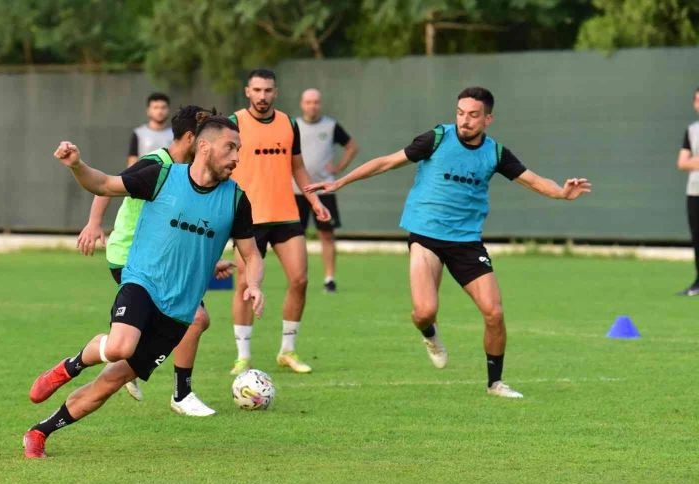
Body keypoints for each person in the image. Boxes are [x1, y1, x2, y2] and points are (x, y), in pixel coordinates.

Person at [306, 87, 591, 398]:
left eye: (473, 115)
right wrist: (341, 181)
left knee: (494, 313)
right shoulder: (437, 138)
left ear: (488, 119)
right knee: (424, 312)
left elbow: (533, 180)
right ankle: (429, 333)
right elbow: (386, 162)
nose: (464, 120)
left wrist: (561, 193)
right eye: (460, 113)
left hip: (466, 243)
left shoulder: (495, 153)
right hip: (426, 236)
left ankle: (495, 383)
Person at [23, 116, 263, 458]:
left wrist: (253, 283)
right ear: (204, 147)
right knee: (119, 346)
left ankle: (39, 432)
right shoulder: (162, 176)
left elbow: (251, 254)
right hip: (143, 283)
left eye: (239, 149)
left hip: (178, 313)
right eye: (230, 148)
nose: (237, 157)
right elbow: (104, 184)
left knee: (110, 382)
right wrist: (76, 165)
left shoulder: (236, 200)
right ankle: (70, 366)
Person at [76, 106, 231, 415]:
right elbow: (107, 185)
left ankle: (128, 360)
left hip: (160, 258)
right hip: (130, 256)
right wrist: (94, 223)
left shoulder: (192, 174)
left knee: (186, 321)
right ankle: (180, 394)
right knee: (195, 319)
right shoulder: (156, 163)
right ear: (193, 138)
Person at [228, 68, 331, 376]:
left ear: (276, 92)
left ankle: (287, 350)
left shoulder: (289, 123)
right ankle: (243, 356)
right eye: (257, 90)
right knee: (244, 285)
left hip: (286, 214)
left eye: (268, 90)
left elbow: (297, 167)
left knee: (300, 280)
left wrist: (314, 200)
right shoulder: (234, 123)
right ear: (248, 91)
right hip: (248, 218)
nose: (262, 96)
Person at [292, 88, 359, 293]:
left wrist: (339, 168)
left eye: (315, 102)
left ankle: (329, 279)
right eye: (308, 102)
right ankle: (297, 277)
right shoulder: (293, 126)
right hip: (297, 190)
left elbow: (352, 147)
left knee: (326, 235)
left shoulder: (331, 126)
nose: (312, 106)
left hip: (324, 190)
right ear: (302, 104)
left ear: (320, 104)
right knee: (295, 237)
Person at [676, 87, 699, 296]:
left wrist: (694, 161)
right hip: (695, 192)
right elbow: (682, 162)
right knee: (697, 239)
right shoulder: (692, 130)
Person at [128, 92, 174, 166]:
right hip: (144, 173)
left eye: (163, 107)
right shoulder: (139, 134)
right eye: (155, 107)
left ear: (168, 110)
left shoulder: (175, 134)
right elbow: (132, 162)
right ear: (148, 111)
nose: (160, 111)